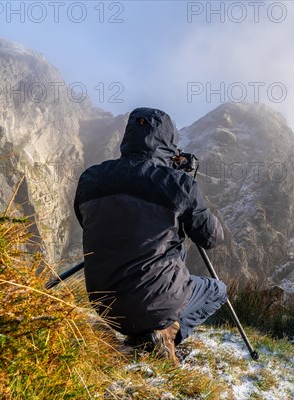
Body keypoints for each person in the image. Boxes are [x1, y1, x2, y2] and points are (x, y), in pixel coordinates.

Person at [74, 107, 227, 364]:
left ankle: (145, 335)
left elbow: (85, 222)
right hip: (155, 303)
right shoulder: (178, 184)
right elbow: (211, 238)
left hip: (104, 305)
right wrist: (183, 185)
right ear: (168, 143)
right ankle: (164, 335)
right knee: (218, 290)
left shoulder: (91, 178)